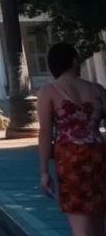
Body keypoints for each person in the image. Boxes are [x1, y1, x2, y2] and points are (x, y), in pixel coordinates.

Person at [38, 42, 106, 236]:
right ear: (74, 61)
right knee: (99, 217)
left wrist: (44, 171)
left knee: (79, 219)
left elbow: (45, 133)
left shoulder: (49, 92)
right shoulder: (98, 90)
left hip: (70, 158)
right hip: (98, 155)